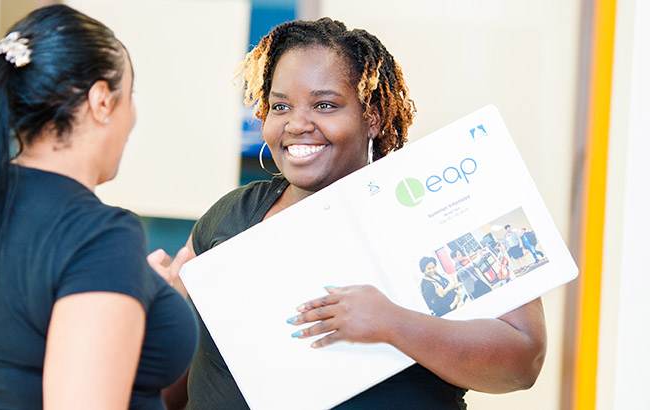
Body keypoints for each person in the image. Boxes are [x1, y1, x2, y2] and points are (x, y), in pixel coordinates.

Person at [152, 17, 546, 409]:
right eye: (280, 106)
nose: (297, 124)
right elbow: (186, 380)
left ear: (371, 117)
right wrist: (161, 315)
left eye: (325, 105)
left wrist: (393, 324)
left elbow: (523, 360)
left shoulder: (443, 199)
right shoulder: (230, 217)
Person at [0, 6, 197, 409]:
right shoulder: (102, 235)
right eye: (128, 95)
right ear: (102, 101)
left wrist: (138, 289)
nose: (131, 116)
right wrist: (115, 271)